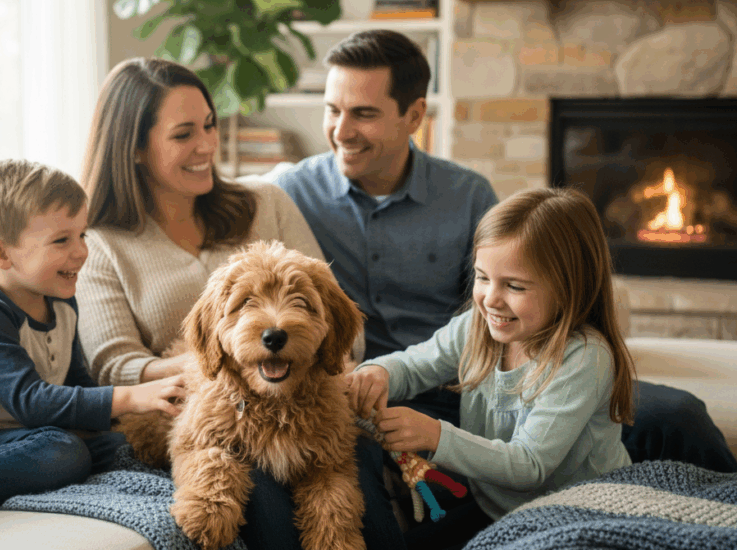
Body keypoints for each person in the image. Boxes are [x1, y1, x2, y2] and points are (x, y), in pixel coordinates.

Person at [274, 29, 737, 475]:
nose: (341, 131)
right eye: (332, 110)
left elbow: (505, 304)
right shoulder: (290, 193)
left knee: (678, 414)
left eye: (363, 113)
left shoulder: (467, 194)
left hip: (477, 383)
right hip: (378, 388)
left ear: (415, 116)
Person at [75, 57, 403, 549]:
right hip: (199, 408)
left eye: (209, 125)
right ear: (136, 148)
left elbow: (333, 311)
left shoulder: (265, 201)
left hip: (310, 395)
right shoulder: (99, 243)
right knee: (265, 501)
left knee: (358, 483)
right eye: (184, 133)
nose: (207, 145)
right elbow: (113, 365)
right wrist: (215, 363)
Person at [348, 187, 637, 549]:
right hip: (496, 509)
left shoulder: (584, 358)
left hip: (579, 513)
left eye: (514, 286)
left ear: (568, 289)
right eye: (483, 278)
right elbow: (415, 363)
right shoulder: (476, 326)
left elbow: (529, 464)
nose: (490, 299)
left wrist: (436, 435)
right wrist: (379, 372)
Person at [0, 159, 183, 516]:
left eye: (82, 234)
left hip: (35, 431)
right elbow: (31, 401)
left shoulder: (61, 298)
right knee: (60, 453)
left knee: (134, 445)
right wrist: (130, 397)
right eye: (61, 240)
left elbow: (75, 379)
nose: (81, 251)